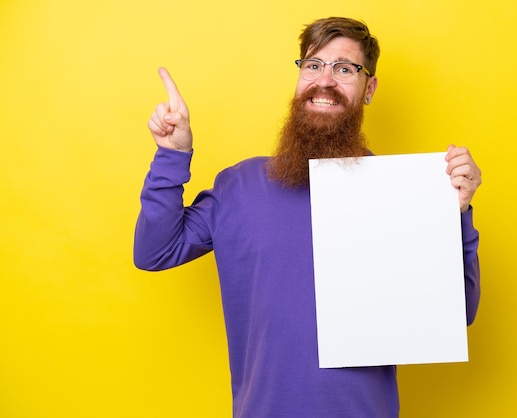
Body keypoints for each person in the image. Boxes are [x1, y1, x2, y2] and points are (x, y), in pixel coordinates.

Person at [134, 16, 482, 418]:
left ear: (369, 88)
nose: (325, 80)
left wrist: (456, 211)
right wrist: (172, 155)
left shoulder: (400, 192)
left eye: (344, 68)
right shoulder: (239, 186)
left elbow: (461, 312)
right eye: (313, 65)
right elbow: (154, 251)